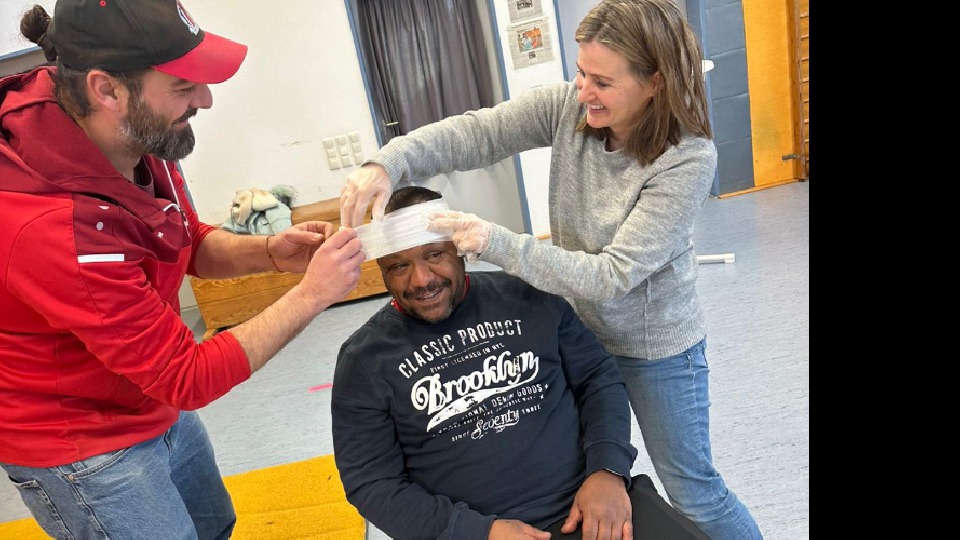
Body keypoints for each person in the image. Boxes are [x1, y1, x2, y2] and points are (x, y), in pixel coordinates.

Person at [338, 1, 762, 538]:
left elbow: (611, 277)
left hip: (652, 350)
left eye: (602, 81)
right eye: (581, 72)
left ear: (654, 83)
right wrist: (387, 163)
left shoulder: (687, 158)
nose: (583, 91)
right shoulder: (570, 108)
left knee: (694, 491)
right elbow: (477, 133)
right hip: (576, 328)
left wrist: (494, 241)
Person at [0, 1, 363, 538]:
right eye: (182, 85)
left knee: (214, 524)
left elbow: (183, 238)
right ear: (106, 90)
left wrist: (268, 251)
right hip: (81, 440)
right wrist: (312, 294)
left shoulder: (140, 134)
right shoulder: (52, 228)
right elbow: (187, 377)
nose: (205, 99)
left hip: (147, 392)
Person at [331, 186, 708, 540]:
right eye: (398, 266)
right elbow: (372, 483)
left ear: (459, 249)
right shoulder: (363, 360)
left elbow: (597, 377)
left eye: (434, 255)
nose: (421, 280)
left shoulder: (527, 298)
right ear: (381, 269)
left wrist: (608, 469)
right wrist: (478, 531)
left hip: (590, 503)